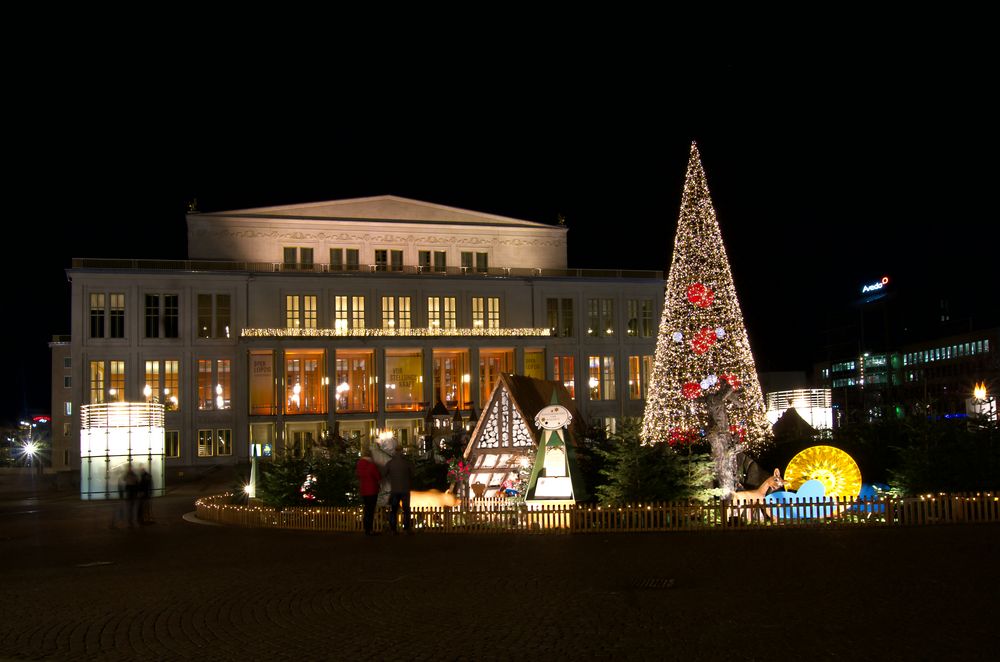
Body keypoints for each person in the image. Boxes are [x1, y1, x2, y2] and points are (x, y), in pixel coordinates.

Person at [385, 447, 414, 534]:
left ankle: (393, 529)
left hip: (394, 490)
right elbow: (413, 473)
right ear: (402, 451)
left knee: (393, 510)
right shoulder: (407, 462)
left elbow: (384, 474)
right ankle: (406, 529)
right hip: (405, 489)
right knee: (406, 509)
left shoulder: (390, 463)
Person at [355, 448, 383, 536]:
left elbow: (358, 475)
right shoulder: (371, 465)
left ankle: (366, 528)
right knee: (370, 510)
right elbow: (377, 476)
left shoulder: (359, 464)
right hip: (372, 490)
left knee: (366, 509)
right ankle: (369, 529)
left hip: (363, 490)